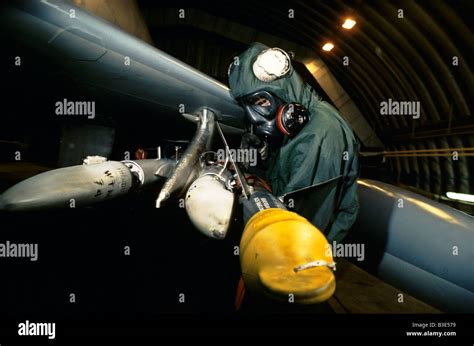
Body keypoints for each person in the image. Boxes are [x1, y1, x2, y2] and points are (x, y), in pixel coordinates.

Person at [228, 42, 360, 243]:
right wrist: (258, 163)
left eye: (261, 102)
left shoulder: (320, 134)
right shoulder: (299, 130)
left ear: (285, 91)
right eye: (246, 106)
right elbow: (279, 182)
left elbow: (296, 227)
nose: (254, 118)